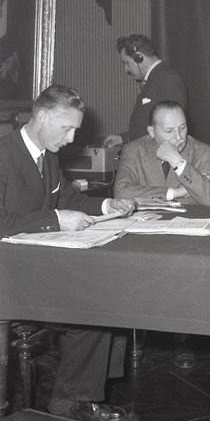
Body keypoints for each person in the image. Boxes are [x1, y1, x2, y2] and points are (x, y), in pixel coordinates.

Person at [0, 85, 136, 420]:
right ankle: (73, 400)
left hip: (36, 267)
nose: (72, 138)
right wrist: (56, 219)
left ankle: (74, 400)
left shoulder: (48, 156)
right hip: (8, 276)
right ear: (42, 116)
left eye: (75, 129)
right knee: (92, 305)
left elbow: (64, 199)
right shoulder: (3, 154)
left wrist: (107, 205)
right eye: (67, 128)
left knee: (103, 298)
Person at [114, 100, 210, 207]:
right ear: (152, 132)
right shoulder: (134, 151)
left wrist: (176, 160)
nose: (179, 137)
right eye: (169, 131)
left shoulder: (203, 152)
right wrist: (174, 193)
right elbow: (121, 193)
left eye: (182, 128)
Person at [104, 34, 187, 146]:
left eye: (127, 63)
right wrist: (123, 138)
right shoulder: (156, 78)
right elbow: (148, 127)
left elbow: (170, 133)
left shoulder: (167, 80)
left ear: (139, 58)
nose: (126, 70)